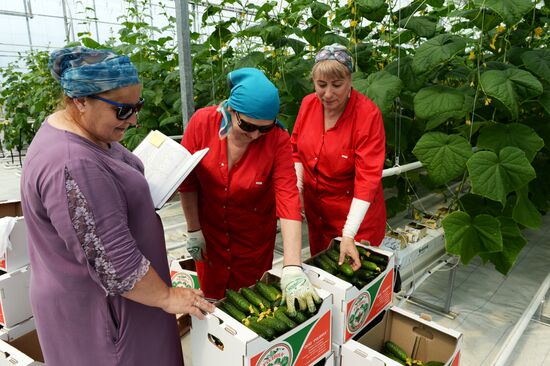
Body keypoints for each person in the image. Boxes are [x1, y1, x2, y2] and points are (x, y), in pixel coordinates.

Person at [20, 46, 214, 366]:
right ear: (80, 100)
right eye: (122, 110)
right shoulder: (75, 164)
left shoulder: (82, 130)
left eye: (137, 106)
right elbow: (117, 266)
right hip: (107, 315)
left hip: (111, 301)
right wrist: (167, 297)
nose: (134, 119)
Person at [179, 67, 319, 314]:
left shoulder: (277, 139)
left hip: (253, 243)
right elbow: (187, 182)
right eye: (247, 126)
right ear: (231, 109)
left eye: (264, 128)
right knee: (212, 308)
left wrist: (292, 266)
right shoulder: (202, 123)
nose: (255, 135)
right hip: (210, 238)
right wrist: (193, 229)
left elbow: (287, 196)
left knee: (252, 309)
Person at [291, 44, 387, 271]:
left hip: (356, 222)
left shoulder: (367, 115)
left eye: (337, 85)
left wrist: (349, 234)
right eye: (321, 85)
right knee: (325, 274)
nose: (328, 94)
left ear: (350, 80)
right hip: (319, 217)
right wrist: (297, 192)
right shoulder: (308, 104)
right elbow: (296, 149)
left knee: (358, 277)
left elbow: (367, 180)